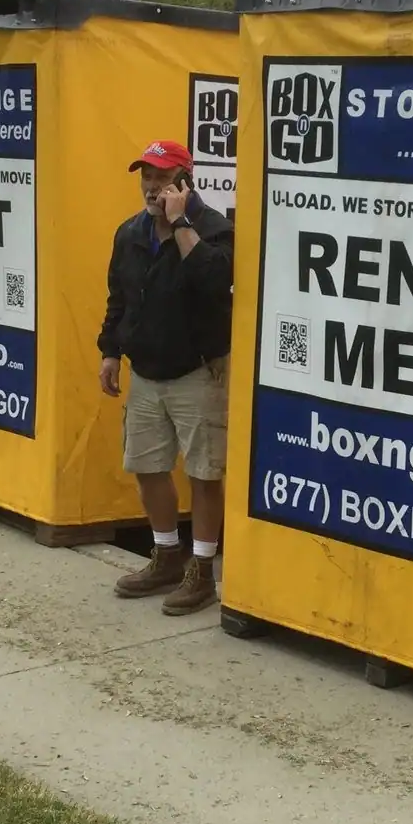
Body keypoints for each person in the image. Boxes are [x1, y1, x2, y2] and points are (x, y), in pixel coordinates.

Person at [98, 139, 234, 614]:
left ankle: (201, 572)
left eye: (161, 178)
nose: (151, 187)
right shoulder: (130, 232)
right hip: (147, 372)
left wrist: (180, 223)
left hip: (198, 370)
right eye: (146, 178)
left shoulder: (214, 229)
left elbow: (215, 283)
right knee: (148, 465)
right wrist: (110, 351)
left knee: (204, 472)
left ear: (184, 182)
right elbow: (119, 297)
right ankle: (166, 556)